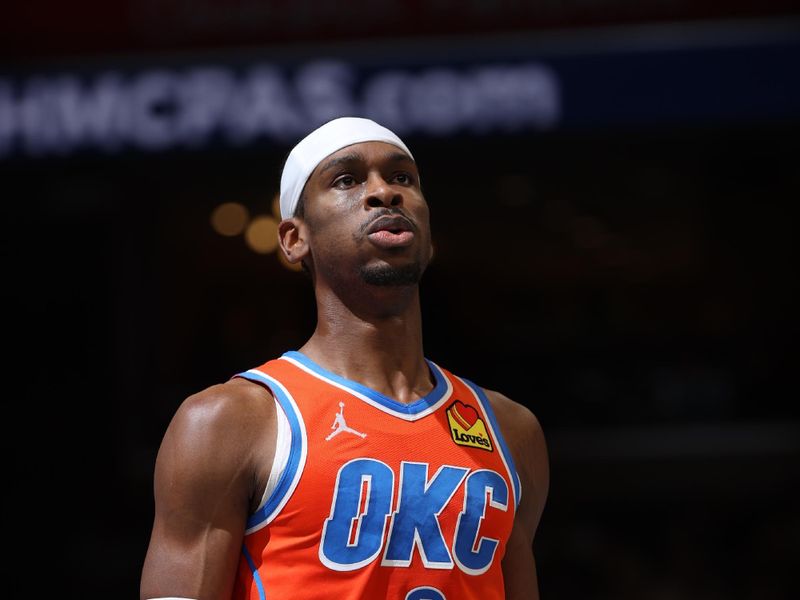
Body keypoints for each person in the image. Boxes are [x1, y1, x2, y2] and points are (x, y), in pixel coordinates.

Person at [140, 116, 549, 600]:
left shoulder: (511, 429)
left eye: (402, 178)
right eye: (347, 180)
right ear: (295, 239)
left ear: (430, 236)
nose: (384, 193)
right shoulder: (228, 421)